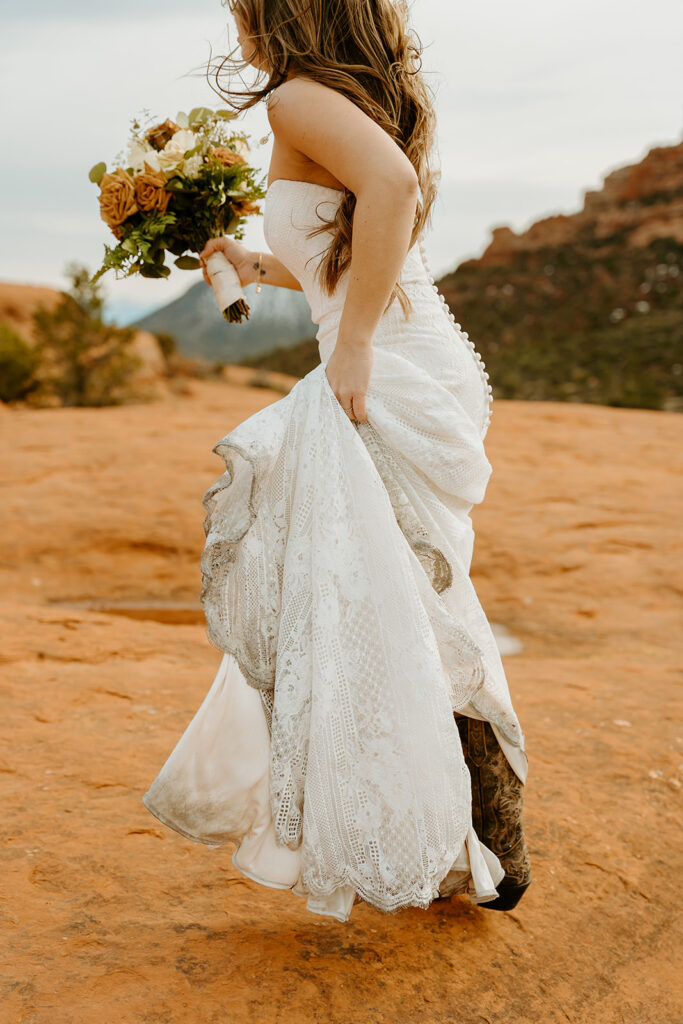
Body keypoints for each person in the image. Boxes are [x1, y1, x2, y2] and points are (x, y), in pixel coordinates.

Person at [142, 0, 531, 923]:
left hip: (386, 359)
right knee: (391, 598)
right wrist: (257, 261)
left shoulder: (298, 98)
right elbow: (343, 245)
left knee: (377, 597)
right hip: (401, 351)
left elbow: (392, 192)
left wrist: (349, 344)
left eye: (243, 7)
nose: (236, 23)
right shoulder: (336, 96)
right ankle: (476, 827)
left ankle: (485, 818)